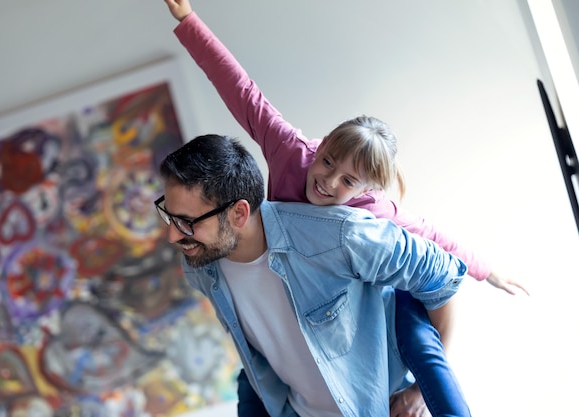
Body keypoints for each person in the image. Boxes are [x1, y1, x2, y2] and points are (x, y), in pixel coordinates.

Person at [162, 1, 528, 416]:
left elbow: (433, 240)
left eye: (348, 181)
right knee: (253, 376)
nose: (327, 182)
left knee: (412, 321)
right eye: (328, 161)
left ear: (364, 190)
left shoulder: (368, 217)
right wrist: (188, 22)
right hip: (291, 327)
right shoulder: (291, 152)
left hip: (374, 307)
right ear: (321, 148)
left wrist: (488, 270)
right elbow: (242, 91)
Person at [156, 133, 467, 417]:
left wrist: (422, 390)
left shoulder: (340, 236)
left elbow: (443, 277)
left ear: (239, 213)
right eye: (169, 216)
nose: (172, 236)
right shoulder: (201, 265)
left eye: (186, 221)